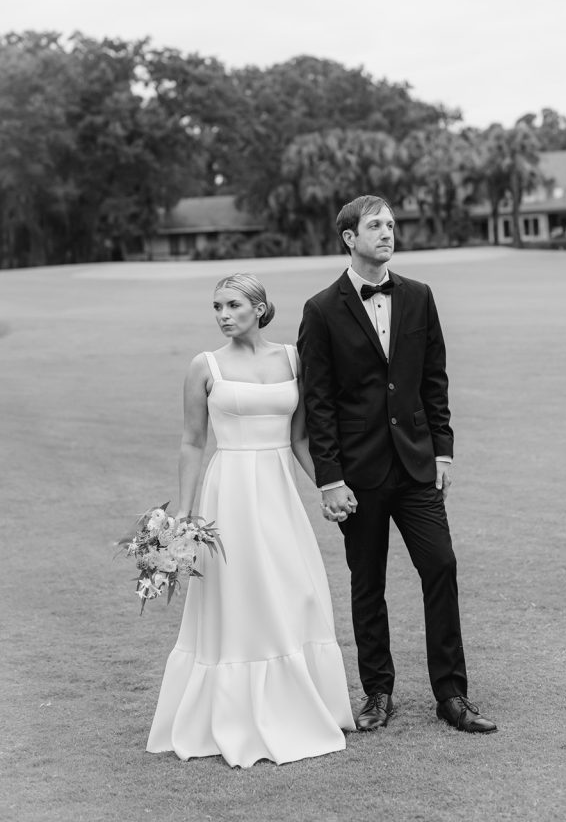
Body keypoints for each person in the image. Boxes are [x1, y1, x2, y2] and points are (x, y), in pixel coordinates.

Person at [297, 195, 497, 734]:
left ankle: (452, 695)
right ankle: (377, 693)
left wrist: (444, 449)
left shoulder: (419, 296)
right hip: (358, 475)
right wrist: (330, 478)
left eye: (390, 224)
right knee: (368, 583)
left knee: (442, 566)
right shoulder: (320, 310)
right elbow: (317, 403)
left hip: (416, 467)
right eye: (375, 225)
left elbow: (434, 379)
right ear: (348, 237)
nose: (387, 232)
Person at [147, 273, 355, 767]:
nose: (222, 314)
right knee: (237, 595)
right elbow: (193, 442)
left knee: (293, 587)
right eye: (216, 305)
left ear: (260, 309)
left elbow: (301, 439)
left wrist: (329, 488)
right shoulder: (205, 366)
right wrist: (183, 511)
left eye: (234, 304)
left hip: (278, 491)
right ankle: (233, 711)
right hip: (230, 492)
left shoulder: (292, 358)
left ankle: (304, 702)